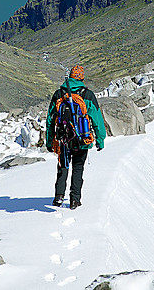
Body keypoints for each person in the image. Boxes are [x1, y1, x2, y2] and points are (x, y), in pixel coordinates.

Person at [45, 65, 106, 209]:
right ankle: (74, 200)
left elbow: (50, 120)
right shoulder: (87, 95)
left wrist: (49, 141)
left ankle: (59, 196)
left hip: (63, 139)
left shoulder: (59, 94)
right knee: (78, 168)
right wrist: (100, 140)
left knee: (63, 166)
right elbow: (96, 119)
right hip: (81, 139)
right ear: (82, 78)